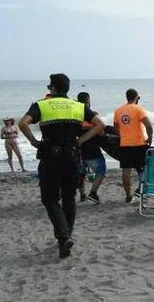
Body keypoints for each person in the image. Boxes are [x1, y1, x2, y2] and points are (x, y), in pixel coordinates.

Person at [19, 74, 104, 259]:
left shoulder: (42, 105)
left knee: (50, 199)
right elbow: (100, 124)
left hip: (50, 156)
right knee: (69, 198)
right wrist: (80, 140)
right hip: (73, 156)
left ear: (53, 88)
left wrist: (34, 141)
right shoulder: (78, 106)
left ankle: (64, 237)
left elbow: (22, 123)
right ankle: (66, 237)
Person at [113, 88, 153, 203]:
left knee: (126, 170)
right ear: (137, 97)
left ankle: (128, 196)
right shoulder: (138, 109)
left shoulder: (118, 110)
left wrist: (123, 135)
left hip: (125, 144)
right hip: (139, 143)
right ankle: (140, 189)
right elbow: (149, 126)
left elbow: (116, 127)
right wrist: (149, 138)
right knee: (143, 168)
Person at [76, 92, 106, 204]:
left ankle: (82, 195)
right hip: (92, 150)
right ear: (88, 101)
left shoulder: (75, 116)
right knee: (101, 170)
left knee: (81, 173)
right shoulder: (93, 115)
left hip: (78, 150)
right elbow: (101, 132)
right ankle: (93, 193)